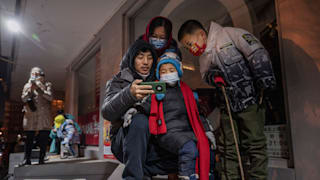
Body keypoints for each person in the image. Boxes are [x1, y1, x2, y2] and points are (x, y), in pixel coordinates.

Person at [178, 20, 276, 180]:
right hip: (227, 105)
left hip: (249, 101)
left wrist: (264, 84)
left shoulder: (230, 34)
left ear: (201, 34)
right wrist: (213, 76)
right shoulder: (204, 58)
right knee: (228, 147)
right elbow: (205, 76)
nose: (191, 49)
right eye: (187, 47)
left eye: (190, 43)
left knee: (255, 144)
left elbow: (257, 52)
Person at [101, 40, 178, 180]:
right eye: (140, 57)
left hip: (154, 140)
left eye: (149, 57)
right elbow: (107, 112)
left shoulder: (159, 80)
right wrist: (129, 94)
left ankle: (142, 170)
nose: (145, 62)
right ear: (132, 59)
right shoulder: (119, 80)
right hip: (124, 140)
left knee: (184, 143)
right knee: (140, 120)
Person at [139, 51, 216, 180]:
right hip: (167, 132)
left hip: (186, 131)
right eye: (163, 71)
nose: (167, 74)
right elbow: (145, 106)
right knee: (189, 148)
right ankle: (185, 176)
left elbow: (198, 115)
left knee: (205, 147)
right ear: (159, 74)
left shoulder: (187, 92)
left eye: (171, 69)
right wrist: (134, 110)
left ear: (178, 71)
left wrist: (207, 131)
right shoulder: (157, 90)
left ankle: (204, 175)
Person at [20, 67, 53, 165]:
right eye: (33, 73)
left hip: (43, 115)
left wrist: (39, 90)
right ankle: (27, 159)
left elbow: (50, 97)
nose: (35, 75)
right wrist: (30, 90)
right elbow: (24, 98)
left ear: (41, 75)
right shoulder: (27, 85)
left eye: (37, 73)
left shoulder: (47, 85)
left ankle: (41, 158)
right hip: (31, 114)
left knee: (43, 137)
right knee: (29, 137)